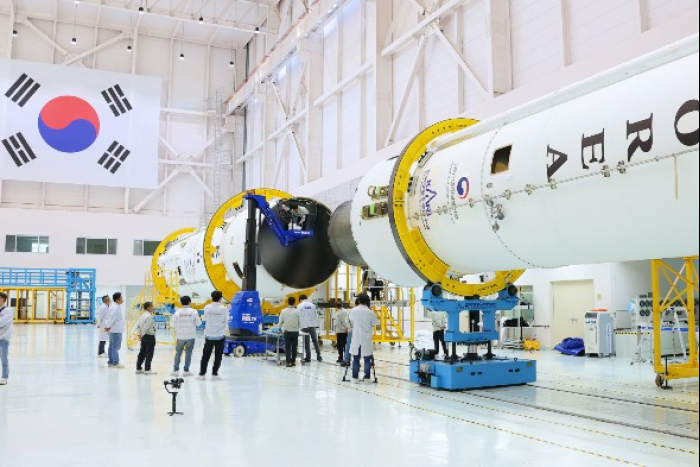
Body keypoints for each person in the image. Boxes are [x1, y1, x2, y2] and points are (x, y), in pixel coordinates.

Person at [198, 291, 228, 380]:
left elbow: (205, 318)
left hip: (209, 335)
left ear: (212, 298)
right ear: (221, 298)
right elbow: (227, 321)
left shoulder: (207, 307)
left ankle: (202, 374)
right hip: (220, 335)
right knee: (218, 356)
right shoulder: (224, 309)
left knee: (205, 355)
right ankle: (214, 374)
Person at [349, 293, 379, 383]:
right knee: (367, 358)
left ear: (359, 301)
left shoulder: (353, 311)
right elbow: (375, 323)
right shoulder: (370, 312)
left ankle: (355, 377)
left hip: (356, 337)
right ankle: (367, 377)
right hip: (366, 338)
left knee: (356, 359)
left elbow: (351, 320)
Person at [171, 296, 202, 377]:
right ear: (189, 302)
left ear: (181, 303)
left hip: (180, 336)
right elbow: (199, 324)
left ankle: (175, 370)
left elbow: (172, 324)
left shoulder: (177, 312)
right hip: (190, 336)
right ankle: (186, 370)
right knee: (188, 353)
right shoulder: (194, 312)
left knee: (178, 353)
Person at [103, 292, 126, 369]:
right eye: (121, 298)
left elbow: (109, 317)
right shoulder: (115, 307)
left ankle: (111, 362)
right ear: (118, 299)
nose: (122, 300)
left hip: (113, 329)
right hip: (115, 330)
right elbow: (112, 318)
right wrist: (108, 326)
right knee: (115, 347)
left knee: (111, 346)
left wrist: (108, 326)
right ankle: (115, 362)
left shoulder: (114, 306)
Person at [298, 295, 322, 362]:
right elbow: (315, 315)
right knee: (315, 341)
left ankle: (308, 357)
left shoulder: (299, 306)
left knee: (307, 343)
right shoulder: (313, 305)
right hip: (312, 326)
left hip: (304, 326)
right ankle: (319, 356)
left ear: (300, 299)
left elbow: (298, 316)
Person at [135, 302, 157, 375]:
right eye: (152, 306)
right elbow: (146, 327)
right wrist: (142, 334)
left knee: (142, 352)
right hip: (149, 336)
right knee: (149, 353)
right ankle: (147, 369)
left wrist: (139, 334)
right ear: (148, 307)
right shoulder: (149, 316)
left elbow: (138, 325)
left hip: (143, 336)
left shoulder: (142, 315)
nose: (153, 308)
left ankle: (138, 368)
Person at [278, 297, 300, 367]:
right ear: (294, 302)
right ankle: (293, 361)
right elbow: (300, 321)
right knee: (294, 347)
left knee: (287, 347)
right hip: (295, 331)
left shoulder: (283, 311)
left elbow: (280, 321)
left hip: (287, 331)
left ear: (287, 302)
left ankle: (288, 362)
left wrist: (279, 328)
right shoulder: (297, 311)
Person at [0, 292, 14, 385]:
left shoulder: (7, 311)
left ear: (2, 299)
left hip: (3, 338)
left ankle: (4, 377)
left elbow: (1, 323)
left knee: (4, 358)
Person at [342, 297, 360, 367]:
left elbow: (347, 320)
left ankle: (347, 361)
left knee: (349, 346)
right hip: (358, 331)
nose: (350, 302)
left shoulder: (351, 311)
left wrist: (350, 328)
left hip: (353, 332)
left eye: (352, 301)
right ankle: (355, 361)